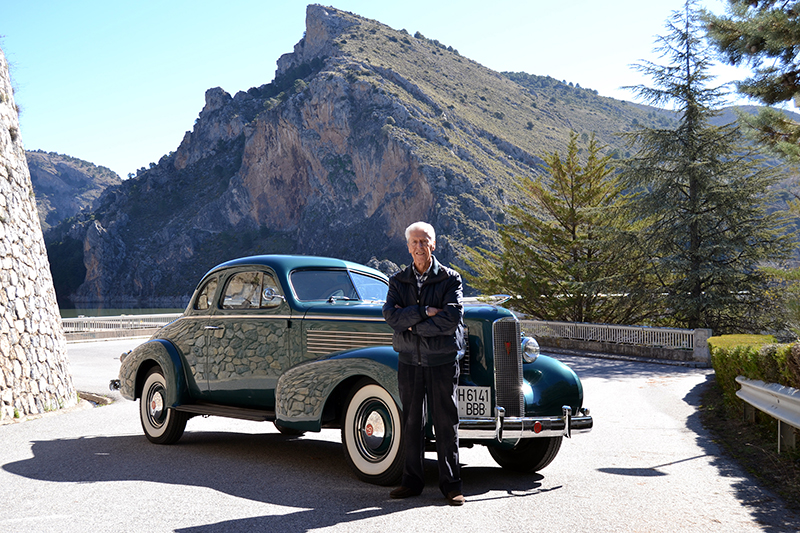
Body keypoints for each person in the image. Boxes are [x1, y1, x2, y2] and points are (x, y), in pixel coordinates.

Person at [382, 221, 466, 506]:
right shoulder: (398, 280)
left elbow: (450, 320)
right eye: (415, 242)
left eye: (424, 241)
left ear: (434, 244)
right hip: (409, 361)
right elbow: (391, 317)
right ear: (408, 246)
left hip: (441, 361)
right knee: (411, 423)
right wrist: (423, 311)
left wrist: (412, 325)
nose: (419, 246)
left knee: (446, 423)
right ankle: (411, 482)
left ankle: (451, 485)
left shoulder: (450, 279)